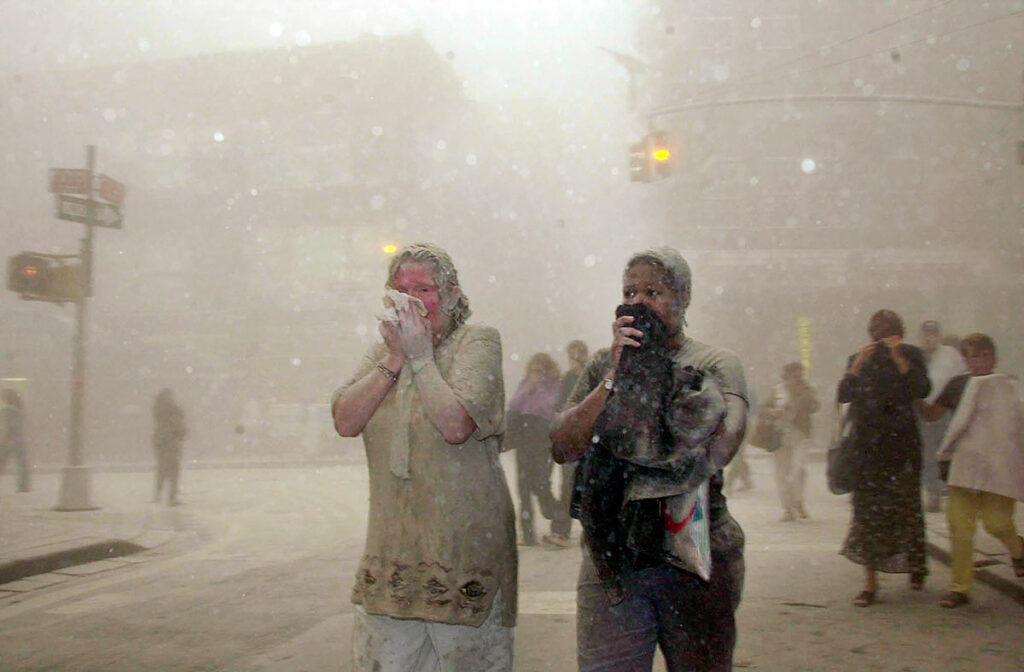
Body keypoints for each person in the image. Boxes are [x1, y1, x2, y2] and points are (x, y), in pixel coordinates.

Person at [550, 247, 748, 672]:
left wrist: (658, 378)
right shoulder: (604, 365)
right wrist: (615, 379)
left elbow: (723, 445)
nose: (639, 302)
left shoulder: (714, 363)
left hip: (695, 560)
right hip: (613, 566)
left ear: (684, 298)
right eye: (629, 291)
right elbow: (563, 445)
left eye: (653, 291)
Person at [331, 242, 516, 672]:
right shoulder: (383, 354)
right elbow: (344, 419)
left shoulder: (478, 341)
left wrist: (420, 358)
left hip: (463, 559)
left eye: (425, 290)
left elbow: (455, 425)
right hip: (391, 561)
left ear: (452, 296)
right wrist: (397, 357)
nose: (411, 302)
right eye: (400, 291)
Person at [920, 333, 1024, 608]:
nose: (979, 362)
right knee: (960, 527)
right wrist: (913, 390)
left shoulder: (1008, 386)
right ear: (966, 360)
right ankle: (960, 587)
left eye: (984, 356)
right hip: (964, 468)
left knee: (997, 523)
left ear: (994, 358)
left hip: (998, 469)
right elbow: (932, 414)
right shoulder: (958, 385)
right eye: (974, 357)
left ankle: (1018, 549)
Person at [838, 309, 931, 607]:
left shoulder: (911, 355)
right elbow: (843, 395)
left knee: (907, 511)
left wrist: (899, 356)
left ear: (899, 333)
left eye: (888, 332)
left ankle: (916, 566)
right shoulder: (859, 358)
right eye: (877, 333)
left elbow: (921, 388)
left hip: (901, 447)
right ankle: (870, 583)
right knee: (866, 515)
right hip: (867, 449)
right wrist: (858, 365)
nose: (882, 338)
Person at [507, 352, 562, 547]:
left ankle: (557, 518)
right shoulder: (524, 384)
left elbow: (548, 408)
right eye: (532, 370)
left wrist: (538, 389)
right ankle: (528, 534)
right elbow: (513, 405)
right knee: (523, 489)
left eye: (539, 370)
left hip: (542, 440)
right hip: (524, 439)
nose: (535, 374)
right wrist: (527, 389)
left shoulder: (554, 385)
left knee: (540, 485)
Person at [916, 320, 966, 512]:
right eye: (926, 334)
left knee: (949, 451)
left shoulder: (950, 355)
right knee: (928, 454)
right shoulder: (917, 356)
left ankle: (951, 489)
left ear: (939, 335)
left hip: (946, 411)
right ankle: (933, 493)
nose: (930, 338)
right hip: (924, 412)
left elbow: (962, 378)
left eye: (933, 334)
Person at [544, 339, 589, 549]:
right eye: (571, 355)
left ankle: (588, 531)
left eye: (576, 354)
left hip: (588, 440)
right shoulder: (569, 377)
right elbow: (560, 405)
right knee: (568, 486)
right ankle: (560, 530)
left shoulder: (591, 375)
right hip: (572, 440)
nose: (574, 359)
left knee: (582, 487)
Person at [763, 362, 819, 521]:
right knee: (781, 473)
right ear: (787, 376)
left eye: (800, 375)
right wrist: (774, 411)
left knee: (798, 469)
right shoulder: (778, 390)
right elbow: (765, 408)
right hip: (780, 435)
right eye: (795, 375)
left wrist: (802, 397)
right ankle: (787, 508)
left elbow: (815, 407)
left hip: (800, 435)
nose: (798, 378)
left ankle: (798, 501)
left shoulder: (807, 390)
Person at [152, 387, 186, 506]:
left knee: (162, 467)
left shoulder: (158, 409)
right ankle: (172, 497)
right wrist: (182, 433)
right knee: (174, 469)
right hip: (171, 440)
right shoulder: (173, 410)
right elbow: (178, 425)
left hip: (160, 440)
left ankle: (158, 493)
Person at [0, 388, 30, 493]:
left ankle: (24, 486)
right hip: (18, 439)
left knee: (2, 461)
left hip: (10, 439)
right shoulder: (18, 409)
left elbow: (10, 427)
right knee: (22, 463)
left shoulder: (8, 411)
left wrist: (7, 439)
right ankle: (24, 486)